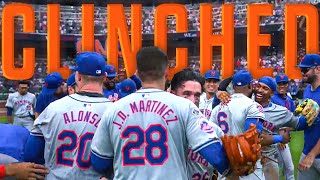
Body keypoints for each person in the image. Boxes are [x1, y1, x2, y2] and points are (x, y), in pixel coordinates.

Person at [90, 46, 234, 179]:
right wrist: (231, 169)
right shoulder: (183, 106)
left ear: (138, 74)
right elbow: (212, 151)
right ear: (166, 72)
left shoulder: (114, 109)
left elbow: (99, 162)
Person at [24, 52, 113, 179]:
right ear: (104, 77)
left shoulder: (52, 109)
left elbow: (31, 155)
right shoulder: (114, 111)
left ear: (78, 77)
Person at [209, 70, 291, 180]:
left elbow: (211, 137)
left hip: (224, 166)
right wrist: (280, 138)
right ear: (250, 85)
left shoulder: (219, 106)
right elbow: (253, 139)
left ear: (233, 87)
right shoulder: (253, 106)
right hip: (247, 166)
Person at [254, 76, 313, 180]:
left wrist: (314, 114)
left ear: (271, 93)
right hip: (249, 157)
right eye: (258, 86)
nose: (260, 90)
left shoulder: (281, 110)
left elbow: (298, 122)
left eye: (265, 88)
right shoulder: (246, 105)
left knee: (288, 169)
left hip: (269, 157)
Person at [170, 68, 224, 180]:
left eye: (197, 96)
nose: (192, 100)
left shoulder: (214, 130)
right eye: (186, 94)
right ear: (172, 95)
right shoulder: (160, 128)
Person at [296, 54, 320, 180]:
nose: (302, 73)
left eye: (305, 70)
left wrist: (312, 155)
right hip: (307, 151)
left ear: (318, 69)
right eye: (301, 70)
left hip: (313, 154)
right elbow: (306, 119)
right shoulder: (307, 91)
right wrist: (289, 128)